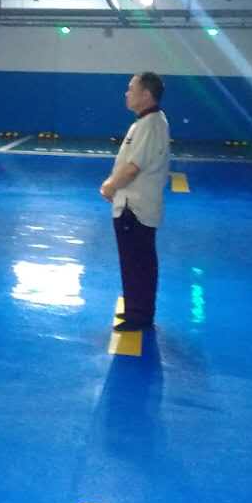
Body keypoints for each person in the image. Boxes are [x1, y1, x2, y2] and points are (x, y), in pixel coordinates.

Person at [99, 72, 171, 332]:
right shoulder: (146, 123)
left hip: (136, 209)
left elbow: (133, 168)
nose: (127, 93)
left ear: (146, 95)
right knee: (134, 262)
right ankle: (136, 309)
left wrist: (110, 185)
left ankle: (139, 315)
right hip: (134, 206)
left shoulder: (150, 125)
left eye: (131, 89)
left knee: (137, 262)